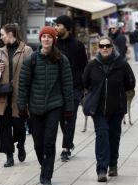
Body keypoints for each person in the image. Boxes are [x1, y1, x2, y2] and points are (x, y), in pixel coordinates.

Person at [18, 26, 74, 185]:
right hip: (35, 107)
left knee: (49, 142)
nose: (46, 40)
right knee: (38, 144)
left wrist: (68, 108)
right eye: (44, 37)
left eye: (49, 37)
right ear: (40, 39)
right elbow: (23, 85)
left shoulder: (61, 59)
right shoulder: (32, 59)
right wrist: (22, 106)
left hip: (54, 106)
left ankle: (47, 176)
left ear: (53, 40)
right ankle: (44, 166)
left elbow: (67, 85)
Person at [82, 37, 136, 182]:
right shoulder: (92, 65)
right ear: (98, 48)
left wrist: (118, 92)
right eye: (102, 46)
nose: (105, 48)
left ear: (112, 47)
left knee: (114, 136)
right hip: (98, 109)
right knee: (102, 136)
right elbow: (85, 82)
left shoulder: (121, 64)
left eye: (107, 46)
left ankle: (113, 164)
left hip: (117, 108)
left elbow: (130, 82)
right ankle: (101, 169)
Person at [0, 23, 33, 168]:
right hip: (2, 95)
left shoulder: (26, 51)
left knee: (19, 126)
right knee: (3, 127)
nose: (0, 37)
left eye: (2, 34)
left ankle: (20, 144)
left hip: (19, 96)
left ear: (10, 34)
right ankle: (9, 156)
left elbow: (32, 72)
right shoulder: (0, 51)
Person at [55, 15, 88, 162]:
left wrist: (83, 88)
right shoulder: (53, 44)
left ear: (67, 28)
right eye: (56, 25)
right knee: (62, 119)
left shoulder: (78, 46)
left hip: (74, 89)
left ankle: (66, 148)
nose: (56, 27)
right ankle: (69, 143)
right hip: (56, 88)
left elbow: (84, 67)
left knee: (70, 118)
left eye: (59, 25)